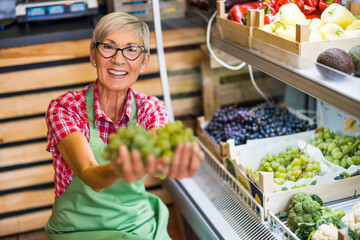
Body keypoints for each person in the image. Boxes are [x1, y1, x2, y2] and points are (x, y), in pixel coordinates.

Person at [44, 12, 204, 240]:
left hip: (136, 225)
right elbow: (90, 174)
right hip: (78, 229)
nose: (118, 60)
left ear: (144, 62)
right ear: (93, 55)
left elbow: (159, 151)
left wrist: (171, 156)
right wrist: (123, 165)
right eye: (108, 47)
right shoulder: (66, 108)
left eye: (131, 50)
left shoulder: (151, 109)